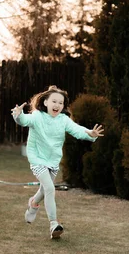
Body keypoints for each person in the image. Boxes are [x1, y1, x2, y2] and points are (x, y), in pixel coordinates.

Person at [11, 85, 104, 239]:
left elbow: (77, 129)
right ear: (45, 102)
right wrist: (18, 115)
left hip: (53, 161)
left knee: (43, 190)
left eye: (61, 103)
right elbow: (23, 120)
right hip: (37, 159)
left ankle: (33, 204)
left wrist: (90, 134)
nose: (57, 105)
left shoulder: (63, 120)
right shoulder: (37, 116)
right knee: (49, 188)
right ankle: (54, 224)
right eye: (54, 101)